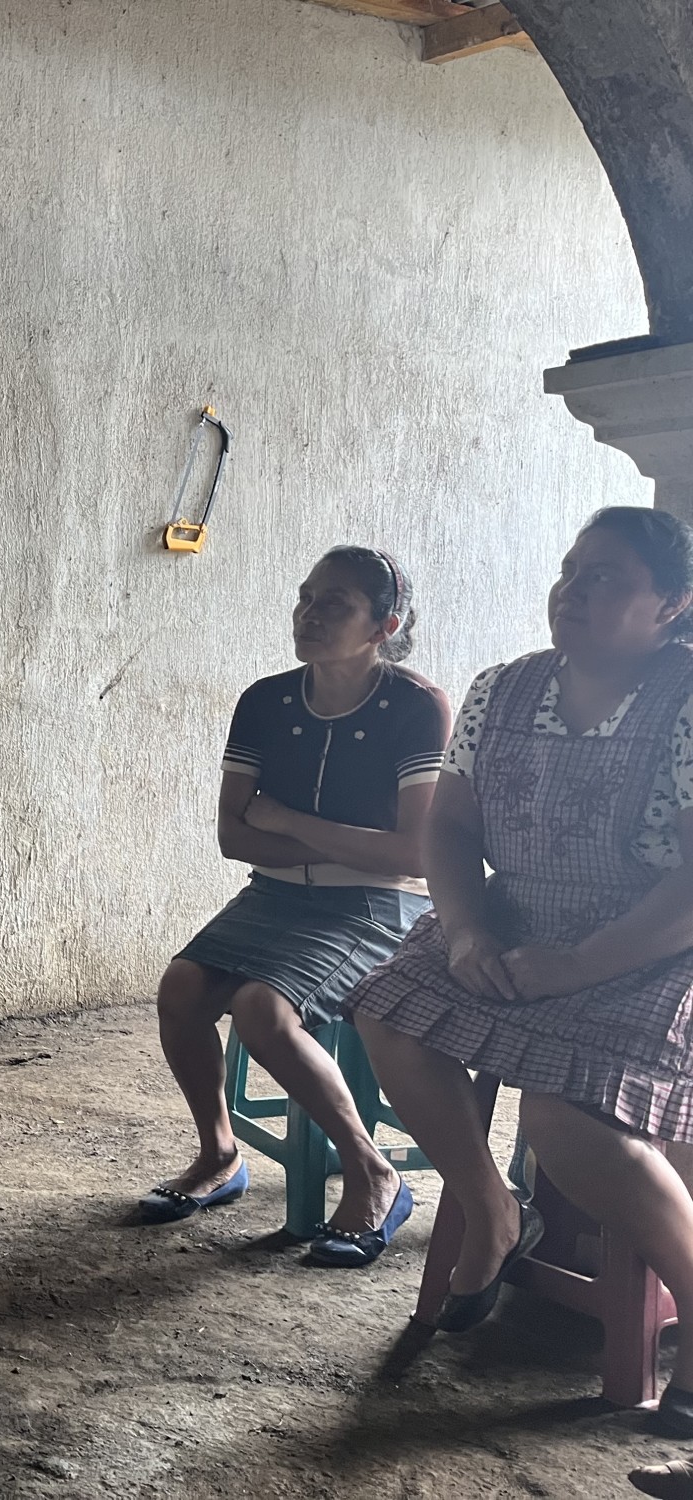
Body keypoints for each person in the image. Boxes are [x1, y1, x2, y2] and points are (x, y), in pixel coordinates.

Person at [340, 509, 693, 1492]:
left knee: (564, 1121)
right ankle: (491, 1211)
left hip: (651, 952)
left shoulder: (685, 698)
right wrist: (462, 931)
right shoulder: (503, 689)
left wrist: (577, 966)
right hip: (513, 927)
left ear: (671, 605)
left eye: (605, 581)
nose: (571, 594)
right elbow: (447, 829)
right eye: (569, 571)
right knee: (386, 1009)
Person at [142, 547, 449, 1266]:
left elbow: (411, 857)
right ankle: (219, 1154)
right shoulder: (266, 700)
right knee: (181, 988)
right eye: (305, 597)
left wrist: (288, 821)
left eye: (334, 604)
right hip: (276, 896)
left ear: (384, 625)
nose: (309, 615)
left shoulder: (414, 707)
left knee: (261, 1009)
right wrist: (328, 843)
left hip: (377, 908)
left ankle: (372, 1171)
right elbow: (233, 836)